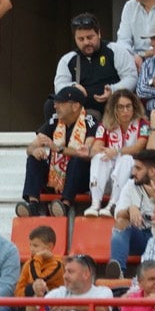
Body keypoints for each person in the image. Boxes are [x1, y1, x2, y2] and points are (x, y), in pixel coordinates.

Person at [18, 85, 97, 218]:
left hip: (80, 179)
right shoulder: (54, 121)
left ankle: (64, 205)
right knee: (33, 159)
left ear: (75, 106)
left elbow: (86, 153)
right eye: (55, 102)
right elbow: (30, 148)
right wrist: (34, 151)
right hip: (54, 178)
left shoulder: (91, 122)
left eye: (61, 103)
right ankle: (33, 205)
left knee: (77, 160)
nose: (55, 106)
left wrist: (58, 149)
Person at [51, 13, 137, 117]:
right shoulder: (68, 60)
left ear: (99, 34)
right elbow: (59, 86)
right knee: (50, 105)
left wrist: (113, 90)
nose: (86, 42)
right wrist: (73, 87)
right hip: (84, 110)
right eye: (81, 39)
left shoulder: (115, 51)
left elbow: (131, 77)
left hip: (113, 105)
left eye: (90, 37)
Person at [87, 90, 150, 218]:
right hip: (108, 176)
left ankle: (113, 204)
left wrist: (117, 151)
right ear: (114, 109)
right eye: (120, 107)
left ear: (134, 107)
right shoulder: (105, 125)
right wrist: (90, 151)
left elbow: (139, 147)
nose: (125, 111)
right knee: (99, 157)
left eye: (128, 106)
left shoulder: (143, 124)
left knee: (126, 158)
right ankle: (95, 203)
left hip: (130, 177)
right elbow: (98, 146)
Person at [23, 254, 113, 311]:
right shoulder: (61, 292)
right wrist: (38, 295)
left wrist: (73, 306)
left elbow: (103, 310)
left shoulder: (102, 291)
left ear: (86, 274)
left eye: (70, 272)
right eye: (65, 271)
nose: (65, 276)